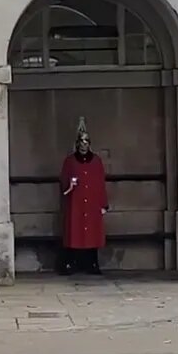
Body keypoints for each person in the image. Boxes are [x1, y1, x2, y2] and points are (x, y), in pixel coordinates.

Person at [58, 117, 108, 275]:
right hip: (76, 203)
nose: (84, 146)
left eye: (86, 143)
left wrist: (103, 204)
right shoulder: (70, 161)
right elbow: (64, 181)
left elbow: (101, 183)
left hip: (92, 204)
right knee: (74, 233)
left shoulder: (97, 161)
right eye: (81, 142)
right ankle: (69, 263)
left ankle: (92, 263)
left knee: (92, 235)